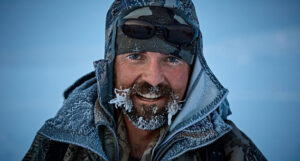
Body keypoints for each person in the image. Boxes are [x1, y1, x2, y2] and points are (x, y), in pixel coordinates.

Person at [23, 0, 267, 161]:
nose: (153, 79)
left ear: (194, 70)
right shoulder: (61, 143)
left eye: (172, 59)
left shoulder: (228, 152)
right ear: (111, 65)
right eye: (136, 56)